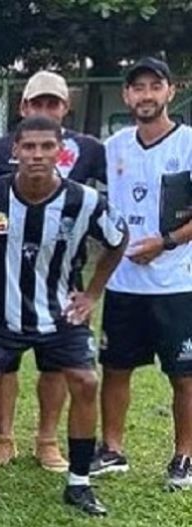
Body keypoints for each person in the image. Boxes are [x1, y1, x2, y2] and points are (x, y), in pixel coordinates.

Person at [0, 116, 126, 515]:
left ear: (59, 151)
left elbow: (117, 241)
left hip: (60, 312)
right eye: (28, 146)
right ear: (15, 150)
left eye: (46, 147)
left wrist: (92, 294)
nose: (37, 154)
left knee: (85, 381)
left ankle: (79, 483)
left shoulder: (83, 200)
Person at [0, 70, 107, 471]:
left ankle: (47, 440)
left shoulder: (91, 151)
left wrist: (92, 291)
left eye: (53, 103)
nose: (44, 109)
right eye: (37, 103)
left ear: (65, 108)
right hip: (6, 281)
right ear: (22, 107)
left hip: (62, 280)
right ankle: (4, 439)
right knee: (1, 367)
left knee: (57, 366)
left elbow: (112, 216)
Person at [96, 57, 192, 487]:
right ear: (126, 95)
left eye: (156, 86)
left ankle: (184, 457)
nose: (147, 95)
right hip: (123, 284)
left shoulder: (188, 143)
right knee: (115, 368)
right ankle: (113, 450)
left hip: (178, 282)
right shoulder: (114, 145)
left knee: (185, 375)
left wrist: (165, 243)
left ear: (171, 91)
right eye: (138, 87)